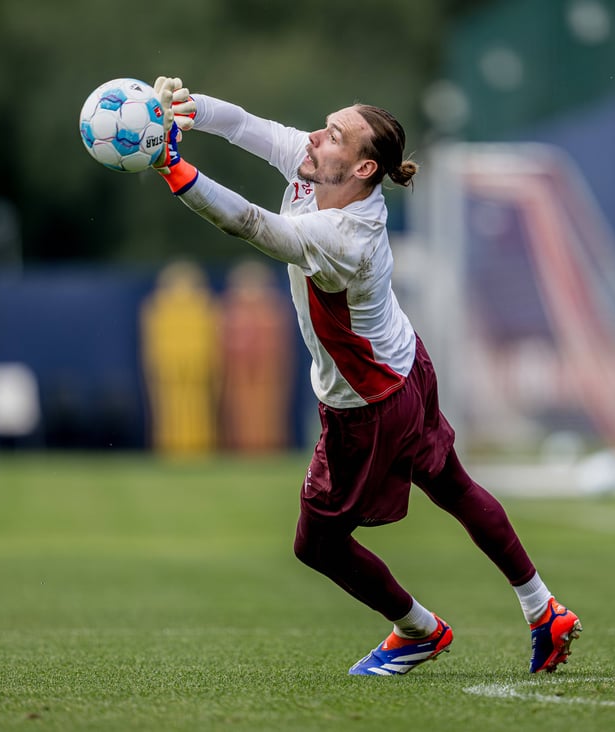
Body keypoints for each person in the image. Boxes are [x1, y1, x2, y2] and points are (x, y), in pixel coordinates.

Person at [146, 77, 581, 675]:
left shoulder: (346, 238)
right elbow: (247, 125)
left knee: (317, 544)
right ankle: (543, 609)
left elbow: (249, 223)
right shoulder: (322, 168)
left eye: (333, 135)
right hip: (406, 365)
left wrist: (172, 168)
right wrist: (188, 108)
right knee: (454, 487)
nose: (314, 137)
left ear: (363, 167)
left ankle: (418, 630)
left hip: (368, 403)